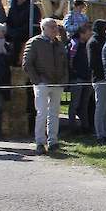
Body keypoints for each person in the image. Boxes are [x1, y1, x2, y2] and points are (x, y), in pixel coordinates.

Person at [22, 18, 68, 154]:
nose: (55, 29)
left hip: (57, 83)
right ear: (44, 28)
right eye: (52, 27)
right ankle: (40, 142)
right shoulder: (34, 42)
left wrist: (64, 80)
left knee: (54, 113)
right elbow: (27, 64)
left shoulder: (58, 44)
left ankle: (53, 141)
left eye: (56, 27)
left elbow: (65, 63)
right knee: (41, 113)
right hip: (42, 83)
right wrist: (37, 80)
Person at [86, 19, 106, 143]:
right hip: (100, 78)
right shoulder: (93, 42)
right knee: (101, 108)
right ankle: (99, 134)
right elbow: (93, 63)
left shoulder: (105, 41)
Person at [68, 22, 93, 134]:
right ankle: (72, 127)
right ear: (82, 34)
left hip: (88, 77)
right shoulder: (74, 45)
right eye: (89, 33)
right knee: (75, 104)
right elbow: (70, 61)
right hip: (77, 77)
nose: (91, 35)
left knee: (85, 104)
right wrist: (73, 72)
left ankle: (85, 126)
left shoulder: (89, 45)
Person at [5, 0, 41, 66]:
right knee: (0, 37)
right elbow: (8, 21)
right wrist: (9, 30)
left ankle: (15, 62)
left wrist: (17, 31)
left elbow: (34, 22)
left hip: (27, 31)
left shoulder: (32, 7)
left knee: (16, 38)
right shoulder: (13, 8)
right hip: (14, 31)